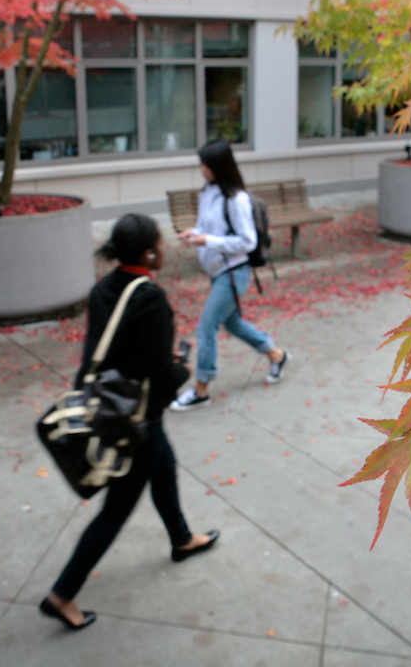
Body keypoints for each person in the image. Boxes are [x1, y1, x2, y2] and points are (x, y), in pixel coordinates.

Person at [40, 214, 219, 631]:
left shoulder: (103, 289)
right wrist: (181, 369)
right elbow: (159, 372)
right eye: (160, 242)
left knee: (165, 469)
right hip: (137, 418)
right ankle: (61, 594)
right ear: (148, 252)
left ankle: (181, 538)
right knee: (115, 511)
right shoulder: (150, 298)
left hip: (115, 405)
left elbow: (102, 353)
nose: (165, 248)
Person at [171, 140, 289, 411]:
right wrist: (195, 232)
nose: (202, 169)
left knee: (206, 329)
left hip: (234, 273)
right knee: (232, 324)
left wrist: (207, 241)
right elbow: (208, 226)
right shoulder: (209, 192)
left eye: (206, 165)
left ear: (219, 166)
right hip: (217, 271)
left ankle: (201, 389)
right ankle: (276, 355)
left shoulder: (238, 199)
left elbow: (246, 242)